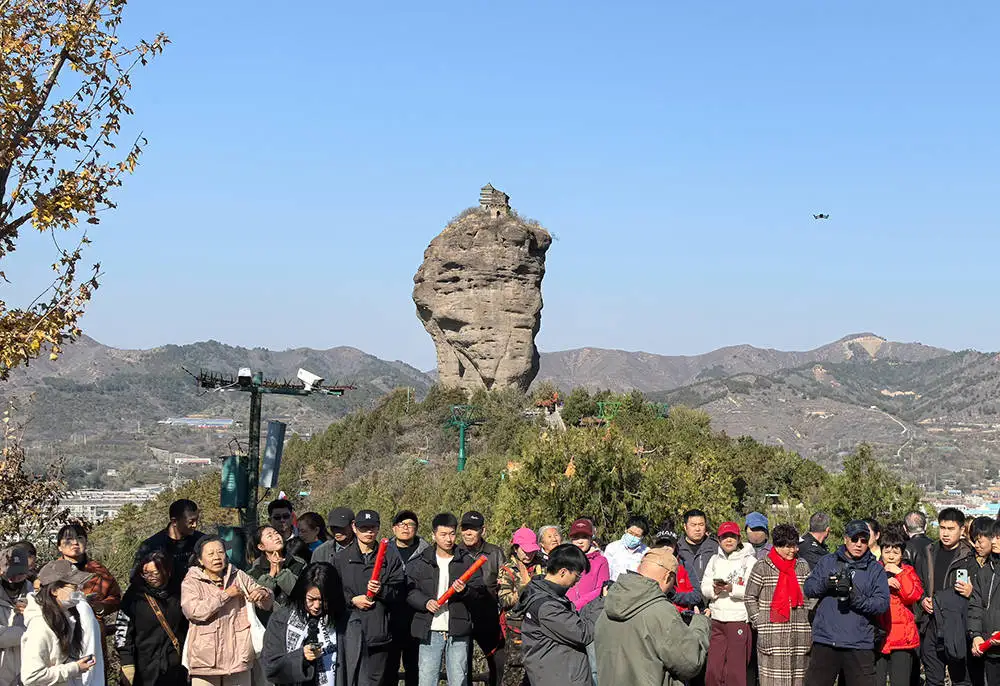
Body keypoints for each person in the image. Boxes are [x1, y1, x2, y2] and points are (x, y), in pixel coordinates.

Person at [597, 546, 711, 686]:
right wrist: (700, 623)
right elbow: (690, 662)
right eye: (672, 584)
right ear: (668, 577)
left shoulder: (608, 603)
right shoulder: (661, 611)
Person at [803, 519, 890, 686]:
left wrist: (854, 598)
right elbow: (808, 588)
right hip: (826, 641)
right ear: (845, 539)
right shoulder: (828, 561)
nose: (859, 544)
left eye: (864, 540)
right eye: (854, 539)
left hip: (859, 643)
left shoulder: (875, 569)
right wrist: (826, 584)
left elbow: (881, 604)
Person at [180, 535, 274, 686]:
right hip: (205, 661)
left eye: (220, 552)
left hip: (239, 658)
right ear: (199, 559)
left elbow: (266, 603)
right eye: (210, 554)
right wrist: (226, 595)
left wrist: (263, 593)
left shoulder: (238, 575)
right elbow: (194, 611)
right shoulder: (192, 581)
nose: (216, 557)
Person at [406, 512, 486, 686]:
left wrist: (465, 591)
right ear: (433, 535)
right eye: (443, 534)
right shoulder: (421, 562)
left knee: (459, 679)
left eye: (452, 534)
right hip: (429, 630)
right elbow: (410, 592)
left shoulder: (467, 562)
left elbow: (480, 594)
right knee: (427, 679)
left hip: (458, 630)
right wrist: (425, 602)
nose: (448, 539)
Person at [335, 509, 405, 686]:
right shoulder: (341, 559)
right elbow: (332, 593)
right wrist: (352, 600)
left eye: (372, 528)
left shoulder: (390, 557)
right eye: (363, 528)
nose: (368, 532)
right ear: (354, 528)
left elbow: (400, 592)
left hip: (378, 634)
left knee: (376, 681)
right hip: (349, 632)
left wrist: (381, 590)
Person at [913, 507, 978, 686]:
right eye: (942, 528)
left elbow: (982, 595)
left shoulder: (970, 557)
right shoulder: (928, 552)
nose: (946, 533)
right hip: (931, 624)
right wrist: (922, 599)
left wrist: (971, 593)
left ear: (962, 530)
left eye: (951, 529)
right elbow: (917, 582)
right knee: (933, 679)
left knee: (961, 679)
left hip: (957, 625)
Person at [516, 544, 594, 686]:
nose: (576, 582)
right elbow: (582, 633)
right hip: (560, 678)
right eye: (577, 576)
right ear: (563, 572)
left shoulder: (547, 595)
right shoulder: (547, 606)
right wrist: (603, 602)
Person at [744, 524, 812, 686]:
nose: (793, 550)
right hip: (771, 637)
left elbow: (811, 595)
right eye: (788, 547)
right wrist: (759, 621)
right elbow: (749, 597)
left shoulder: (802, 566)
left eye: (795, 546)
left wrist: (807, 616)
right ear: (777, 546)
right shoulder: (762, 566)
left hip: (799, 637)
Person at [20, 559, 101, 686]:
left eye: (80, 586)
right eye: (74, 587)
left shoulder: (66, 618)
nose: (79, 591)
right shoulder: (40, 626)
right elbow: (31, 676)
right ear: (54, 590)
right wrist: (75, 668)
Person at [262, 563, 344, 686]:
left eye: (323, 600)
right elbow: (270, 666)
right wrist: (301, 657)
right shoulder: (281, 619)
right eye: (311, 599)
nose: (317, 606)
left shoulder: (345, 621)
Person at [115, 550, 189, 686]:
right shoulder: (134, 596)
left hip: (175, 666)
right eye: (146, 573)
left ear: (167, 572)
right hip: (143, 666)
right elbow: (123, 630)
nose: (151, 577)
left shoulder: (180, 592)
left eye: (156, 573)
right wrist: (127, 663)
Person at [700, 521, 757, 686]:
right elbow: (704, 586)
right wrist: (715, 590)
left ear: (739, 538)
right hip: (717, 618)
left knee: (735, 669)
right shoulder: (714, 559)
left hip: (738, 618)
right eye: (725, 537)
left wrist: (732, 588)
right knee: (713, 668)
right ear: (718, 540)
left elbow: (753, 590)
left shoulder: (749, 561)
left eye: (732, 536)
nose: (729, 540)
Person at [457, 510, 506, 686]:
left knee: (499, 663)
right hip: (462, 616)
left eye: (473, 529)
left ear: (482, 530)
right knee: (462, 665)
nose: (468, 533)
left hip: (489, 617)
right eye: (465, 528)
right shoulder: (454, 552)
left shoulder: (496, 553)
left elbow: (505, 584)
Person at [875, 526, 923, 686]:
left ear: (902, 554)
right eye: (887, 551)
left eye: (895, 553)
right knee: (875, 681)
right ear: (881, 551)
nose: (890, 556)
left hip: (902, 637)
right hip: (878, 634)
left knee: (901, 681)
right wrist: (883, 581)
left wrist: (899, 573)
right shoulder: (874, 570)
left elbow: (912, 596)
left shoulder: (908, 571)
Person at [497, 528, 545, 685]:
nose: (528, 555)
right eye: (525, 550)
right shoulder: (508, 569)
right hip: (517, 626)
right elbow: (504, 600)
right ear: (516, 548)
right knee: (515, 670)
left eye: (531, 551)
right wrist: (523, 591)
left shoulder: (542, 565)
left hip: (540, 623)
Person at [387, 510, 430, 686]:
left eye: (410, 524)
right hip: (390, 618)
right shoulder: (384, 551)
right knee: (390, 668)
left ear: (417, 528)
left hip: (417, 618)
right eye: (401, 524)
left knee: (415, 668)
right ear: (393, 528)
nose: (406, 528)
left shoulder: (427, 553)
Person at [56, 523, 122, 634]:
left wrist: (102, 606)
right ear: (59, 547)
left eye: (79, 538)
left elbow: (115, 597)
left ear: (86, 542)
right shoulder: (50, 573)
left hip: (92, 631)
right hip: (61, 630)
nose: (75, 543)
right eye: (68, 539)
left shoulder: (99, 571)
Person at [133, 499, 204, 592]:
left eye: (197, 520)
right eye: (191, 521)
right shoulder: (151, 545)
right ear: (174, 521)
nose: (195, 525)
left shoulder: (202, 542)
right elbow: (135, 577)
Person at [249, 525, 307, 624]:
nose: (276, 537)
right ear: (261, 546)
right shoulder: (254, 572)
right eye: (270, 536)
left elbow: (301, 593)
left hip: (296, 621)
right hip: (268, 624)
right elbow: (259, 602)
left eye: (276, 533)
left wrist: (281, 572)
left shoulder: (298, 563)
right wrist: (271, 573)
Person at [968, 520, 1000, 686]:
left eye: (999, 537)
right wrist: (976, 635)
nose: (993, 541)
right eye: (993, 537)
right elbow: (976, 606)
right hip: (991, 652)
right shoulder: (986, 572)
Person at [650, 526, 702, 610]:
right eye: (662, 544)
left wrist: (674, 595)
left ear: (675, 546)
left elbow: (697, 596)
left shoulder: (685, 566)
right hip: (655, 613)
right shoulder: (648, 565)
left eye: (669, 544)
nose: (665, 547)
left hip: (681, 617)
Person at [1, 546, 32, 685]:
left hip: (27, 668)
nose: (16, 578)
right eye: (11, 573)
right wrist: (29, 633)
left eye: (21, 573)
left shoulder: (35, 595)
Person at [566, 518, 610, 611]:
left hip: (589, 610)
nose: (580, 541)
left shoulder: (601, 561)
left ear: (591, 538)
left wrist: (576, 605)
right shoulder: (564, 558)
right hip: (564, 609)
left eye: (584, 537)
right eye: (576, 537)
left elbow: (600, 589)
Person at [677, 509, 715, 599]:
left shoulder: (715, 548)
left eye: (701, 525)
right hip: (683, 601)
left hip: (709, 600)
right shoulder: (676, 548)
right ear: (685, 527)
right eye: (693, 525)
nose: (697, 529)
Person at [604, 515, 650, 581]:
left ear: (642, 537)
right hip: (613, 588)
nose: (633, 537)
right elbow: (606, 571)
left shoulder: (646, 552)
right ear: (626, 530)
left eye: (637, 535)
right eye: (631, 533)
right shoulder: (612, 547)